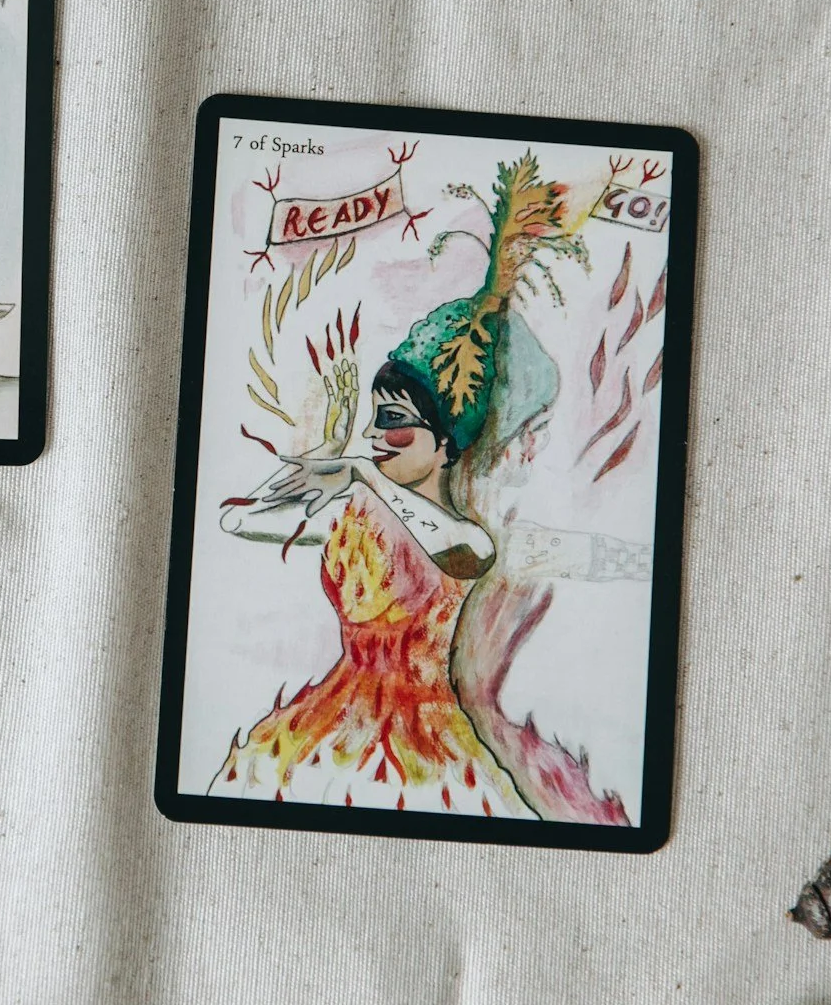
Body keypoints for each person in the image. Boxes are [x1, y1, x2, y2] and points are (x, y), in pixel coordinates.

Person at [212, 155, 630, 824]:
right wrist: (330, 465)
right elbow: (238, 522)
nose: (378, 436)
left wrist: (363, 474)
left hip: (424, 742)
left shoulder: (466, 533)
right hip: (323, 725)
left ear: (445, 443)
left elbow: (460, 556)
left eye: (397, 422)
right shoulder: (359, 513)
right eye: (378, 419)